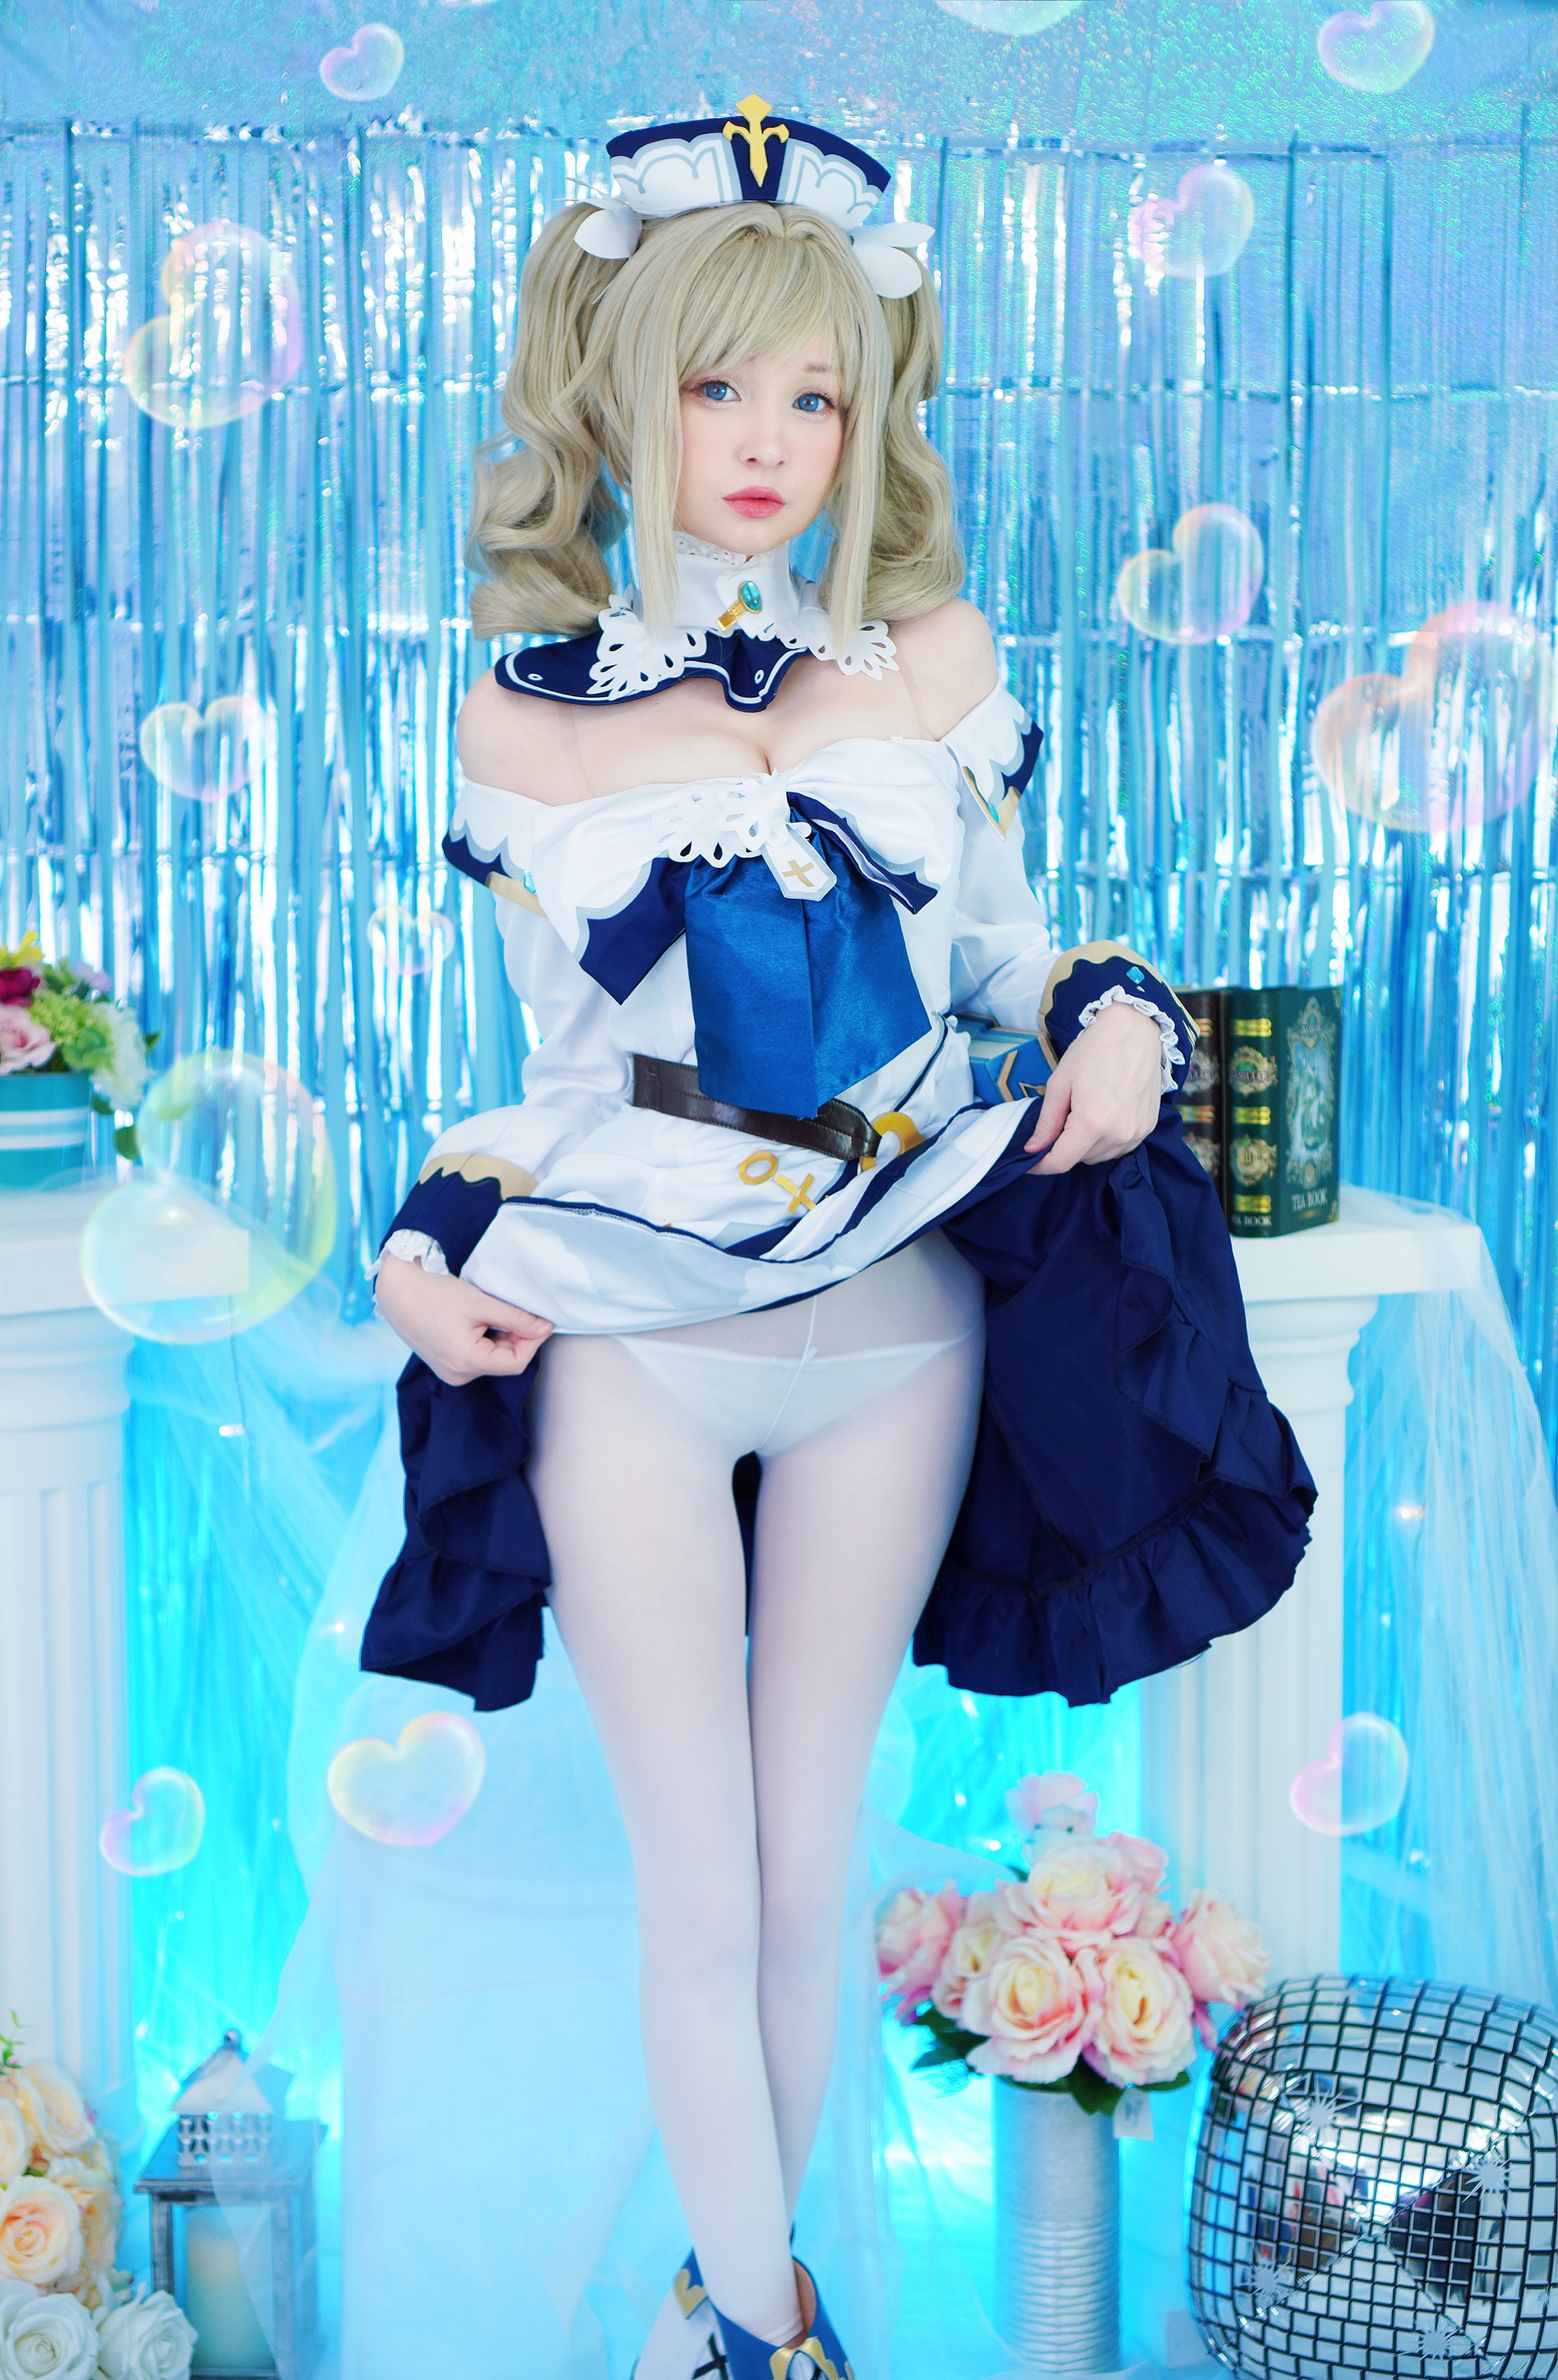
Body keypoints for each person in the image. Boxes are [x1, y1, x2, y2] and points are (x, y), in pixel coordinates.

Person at [367, 99, 1314, 2380]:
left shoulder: (929, 666)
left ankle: (727, 2328)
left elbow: (1006, 963)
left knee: (811, 1871)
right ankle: (773, 2331)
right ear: (626, 387)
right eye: (720, 384)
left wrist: (1117, 1017)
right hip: (631, 1319)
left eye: (816, 391)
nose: (771, 441)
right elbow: (553, 1086)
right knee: (698, 1885)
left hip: (898, 1314)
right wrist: (418, 1244)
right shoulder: (526, 714)